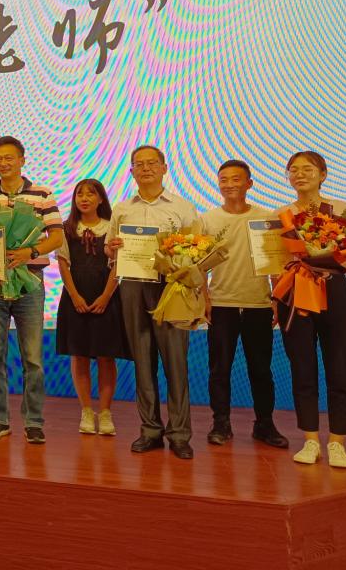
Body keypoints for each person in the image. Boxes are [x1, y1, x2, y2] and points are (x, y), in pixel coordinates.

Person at [0, 136, 64, 444]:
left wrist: (29, 252)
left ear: (22, 160)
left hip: (29, 285)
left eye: (9, 157)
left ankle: (34, 421)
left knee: (32, 357)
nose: (3, 163)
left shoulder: (42, 194)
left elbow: (57, 237)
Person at [107, 145, 198, 459]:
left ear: (163, 168)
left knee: (176, 364)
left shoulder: (182, 207)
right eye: (139, 164)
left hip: (171, 288)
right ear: (131, 171)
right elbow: (109, 249)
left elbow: (196, 251)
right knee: (143, 363)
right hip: (133, 286)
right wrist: (113, 247)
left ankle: (180, 434)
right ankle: (150, 431)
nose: (145, 168)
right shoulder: (122, 209)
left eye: (151, 163)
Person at [280, 151, 346, 468]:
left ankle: (338, 443)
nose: (299, 174)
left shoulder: (340, 209)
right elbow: (276, 261)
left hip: (335, 292)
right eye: (293, 170)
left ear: (323, 174)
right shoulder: (282, 214)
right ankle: (311, 440)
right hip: (296, 292)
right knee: (302, 368)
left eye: (307, 169)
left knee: (340, 368)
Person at [201, 160, 288, 449]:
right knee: (219, 369)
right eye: (223, 179)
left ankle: (264, 424)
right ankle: (220, 423)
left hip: (258, 304)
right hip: (221, 304)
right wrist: (204, 298)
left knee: (261, 369)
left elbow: (274, 261)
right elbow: (199, 265)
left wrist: (276, 298)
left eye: (236, 179)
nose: (229, 184)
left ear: (249, 183)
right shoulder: (207, 220)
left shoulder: (266, 218)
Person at [56, 179, 129, 436]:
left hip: (106, 298)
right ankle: (86, 411)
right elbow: (63, 264)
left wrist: (106, 296)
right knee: (79, 356)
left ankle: (105, 413)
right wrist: (75, 296)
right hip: (75, 298)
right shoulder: (65, 229)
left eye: (91, 194)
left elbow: (118, 264)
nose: (84, 198)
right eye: (80, 194)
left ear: (100, 199)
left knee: (106, 356)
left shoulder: (112, 227)